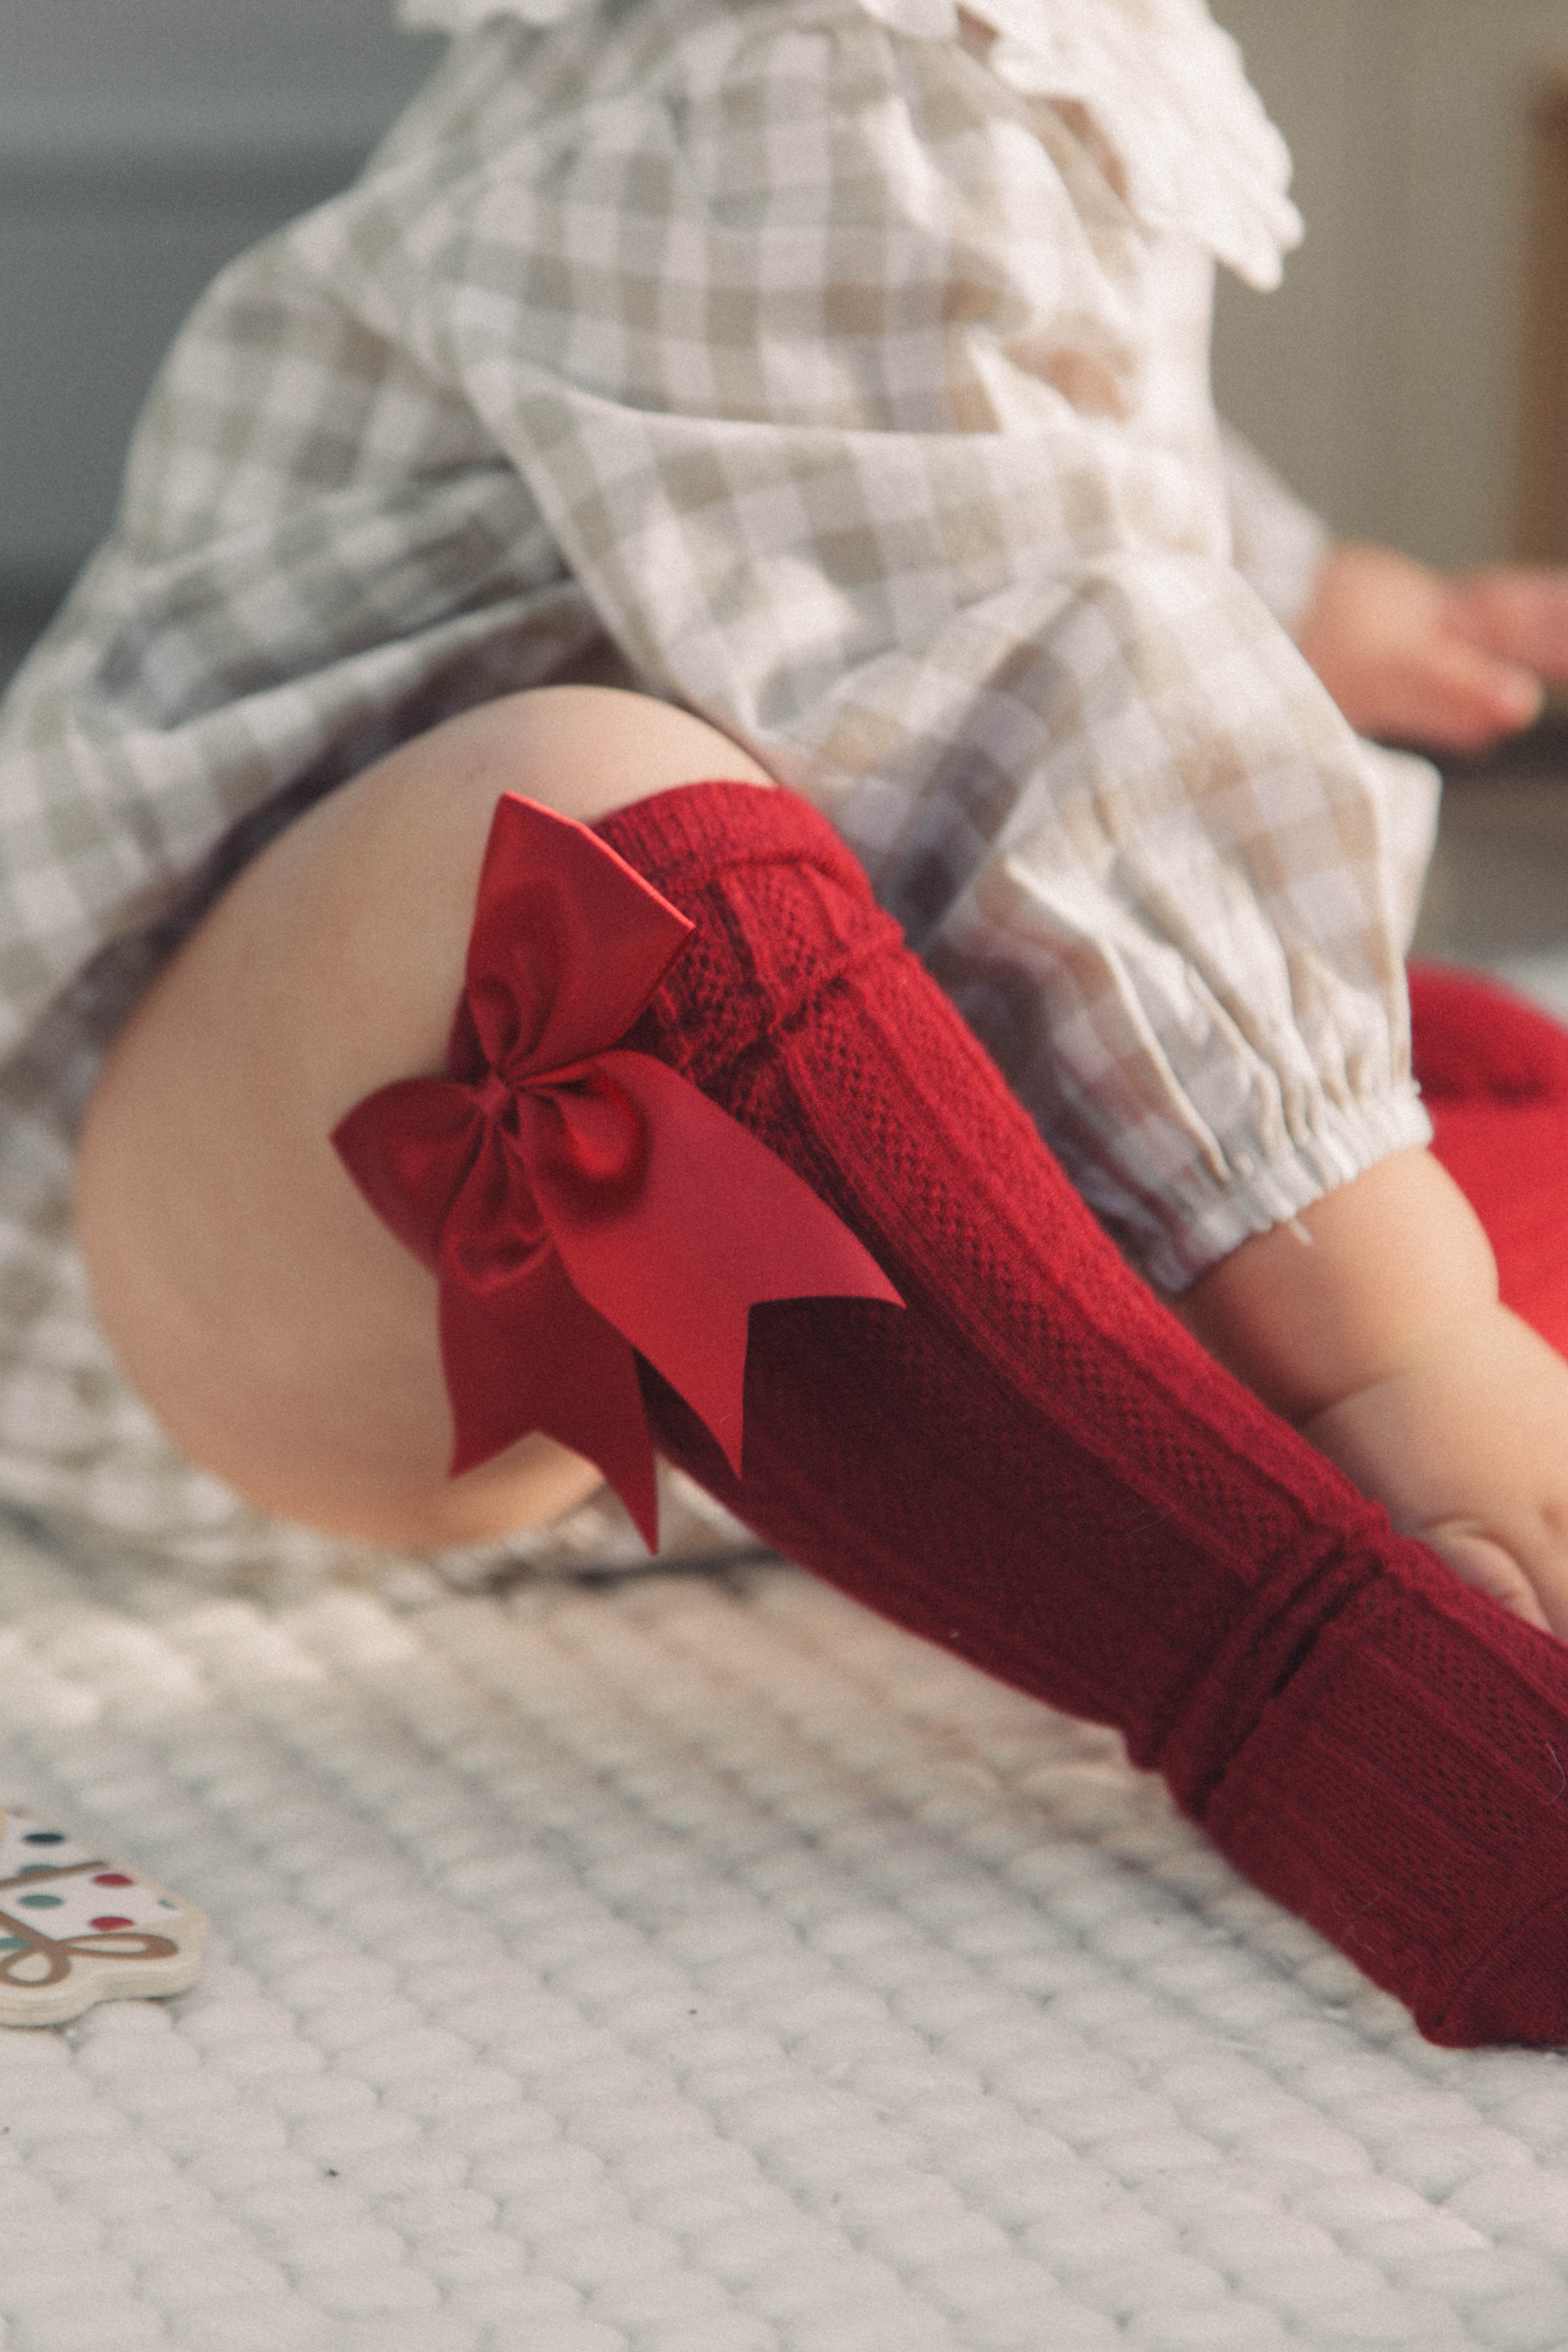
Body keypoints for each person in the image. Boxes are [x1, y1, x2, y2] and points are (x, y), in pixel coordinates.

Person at [7, 0, 1568, 2041]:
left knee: (1444, 1062)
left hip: (734, 1368)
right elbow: (1001, 690)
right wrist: (1402, 1346)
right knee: (578, 840)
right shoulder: (840, 62)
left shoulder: (972, 70)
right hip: (284, 1256)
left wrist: (1304, 584)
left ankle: (1104, 1439)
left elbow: (1018, 444)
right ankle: (1308, 1679)